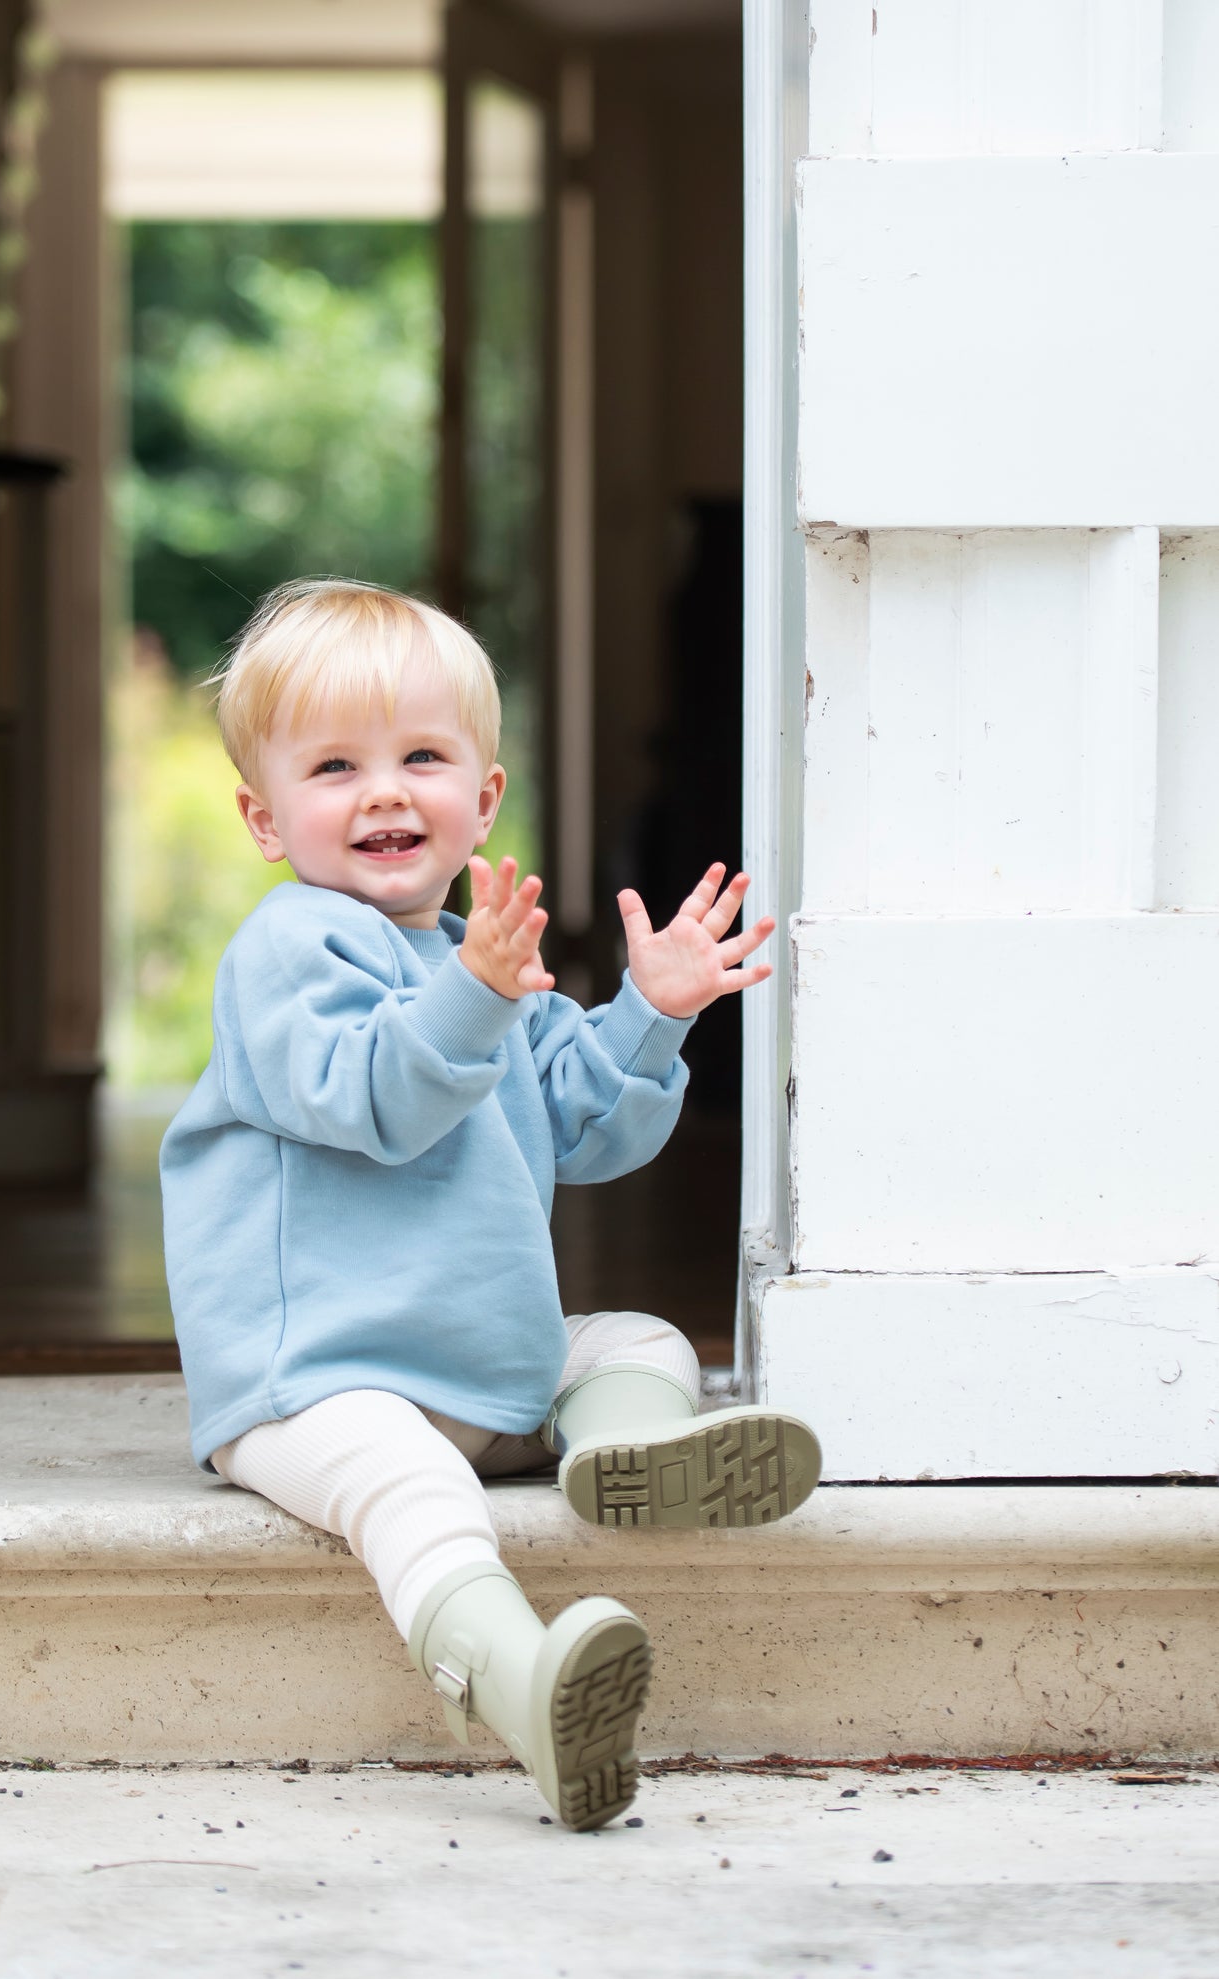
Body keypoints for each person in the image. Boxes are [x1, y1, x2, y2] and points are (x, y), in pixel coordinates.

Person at [160, 577, 822, 1831]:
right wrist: (477, 991)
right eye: (336, 766)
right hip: (318, 1381)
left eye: (422, 755)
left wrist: (652, 1011)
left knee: (641, 1339)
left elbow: (587, 1127)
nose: (386, 791)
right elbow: (375, 1096)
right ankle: (527, 1688)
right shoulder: (291, 950)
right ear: (264, 817)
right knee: (413, 1490)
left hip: (482, 1369)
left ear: (486, 796)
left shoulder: (485, 958)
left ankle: (618, 1456)